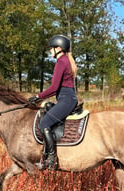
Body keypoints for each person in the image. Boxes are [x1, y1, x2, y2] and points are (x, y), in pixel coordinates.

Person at [29, 34, 78, 171]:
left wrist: (38, 96)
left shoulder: (61, 62)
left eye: (51, 48)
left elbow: (54, 88)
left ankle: (51, 160)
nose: (50, 51)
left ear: (58, 48)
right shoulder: (65, 61)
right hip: (66, 98)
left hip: (66, 99)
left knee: (44, 123)